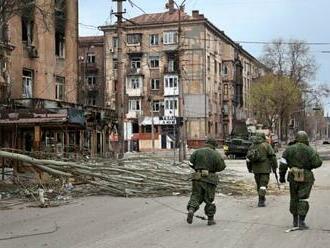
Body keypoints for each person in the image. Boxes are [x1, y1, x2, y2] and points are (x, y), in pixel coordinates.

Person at [279, 131, 322, 229]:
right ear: (306, 139)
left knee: (294, 198)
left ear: (296, 138)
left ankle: (295, 220)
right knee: (303, 198)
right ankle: (301, 222)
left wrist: (282, 177)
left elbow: (283, 165)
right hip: (306, 177)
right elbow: (318, 163)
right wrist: (309, 166)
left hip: (293, 176)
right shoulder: (310, 150)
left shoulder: (288, 149)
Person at [186, 138, 226, 225]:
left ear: (206, 143)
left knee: (196, 195)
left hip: (197, 177)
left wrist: (197, 169)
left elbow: (190, 163)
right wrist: (213, 170)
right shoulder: (216, 154)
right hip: (210, 179)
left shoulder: (197, 152)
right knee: (210, 199)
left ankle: (191, 210)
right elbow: (222, 167)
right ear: (214, 145)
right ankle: (210, 219)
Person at [246, 132, 277, 207]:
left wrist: (250, 169)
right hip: (265, 169)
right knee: (263, 185)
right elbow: (272, 157)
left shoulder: (252, 146)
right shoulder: (266, 145)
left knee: (259, 184)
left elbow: (248, 159)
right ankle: (261, 200)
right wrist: (275, 167)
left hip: (255, 169)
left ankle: (261, 197)